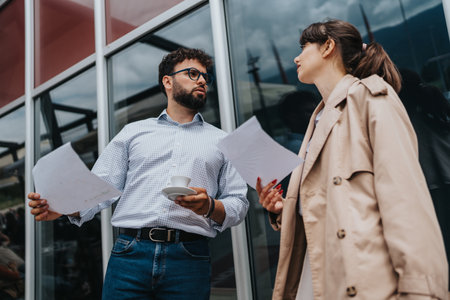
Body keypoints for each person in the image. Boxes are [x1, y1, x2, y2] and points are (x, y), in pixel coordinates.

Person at [28, 47, 249, 300]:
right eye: (192, 73)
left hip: (189, 257)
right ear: (168, 81)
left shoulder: (222, 141)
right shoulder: (132, 132)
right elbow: (101, 186)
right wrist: (64, 207)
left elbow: (239, 203)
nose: (202, 80)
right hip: (130, 255)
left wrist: (209, 205)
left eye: (205, 77)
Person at [256, 19, 448, 299]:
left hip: (363, 278)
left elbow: (405, 203)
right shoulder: (317, 119)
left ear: (328, 47)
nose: (296, 57)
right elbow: (333, 201)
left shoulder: (372, 99)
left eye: (303, 46)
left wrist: (420, 291)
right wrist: (283, 209)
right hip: (319, 271)